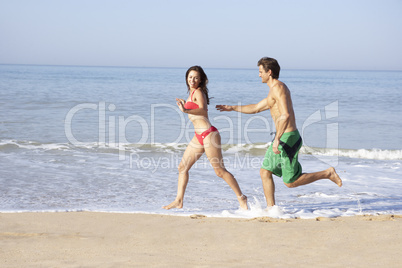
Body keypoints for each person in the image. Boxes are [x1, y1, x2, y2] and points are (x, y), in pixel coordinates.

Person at [216, 57, 342, 208]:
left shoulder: (278, 88)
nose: (259, 75)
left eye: (260, 71)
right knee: (265, 172)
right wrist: (232, 108)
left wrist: (277, 139)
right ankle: (271, 208)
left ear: (269, 72)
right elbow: (256, 108)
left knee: (290, 182)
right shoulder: (272, 91)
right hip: (283, 137)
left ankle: (327, 173)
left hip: (288, 138)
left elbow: (285, 115)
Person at [163, 66, 248, 210]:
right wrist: (185, 104)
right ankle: (179, 200)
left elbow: (202, 109)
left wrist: (185, 110)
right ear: (186, 78)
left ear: (201, 79)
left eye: (196, 77)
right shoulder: (191, 93)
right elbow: (195, 107)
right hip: (198, 136)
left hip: (209, 134)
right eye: (190, 77)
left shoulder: (199, 92)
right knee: (182, 167)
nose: (192, 80)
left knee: (220, 171)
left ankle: (242, 198)